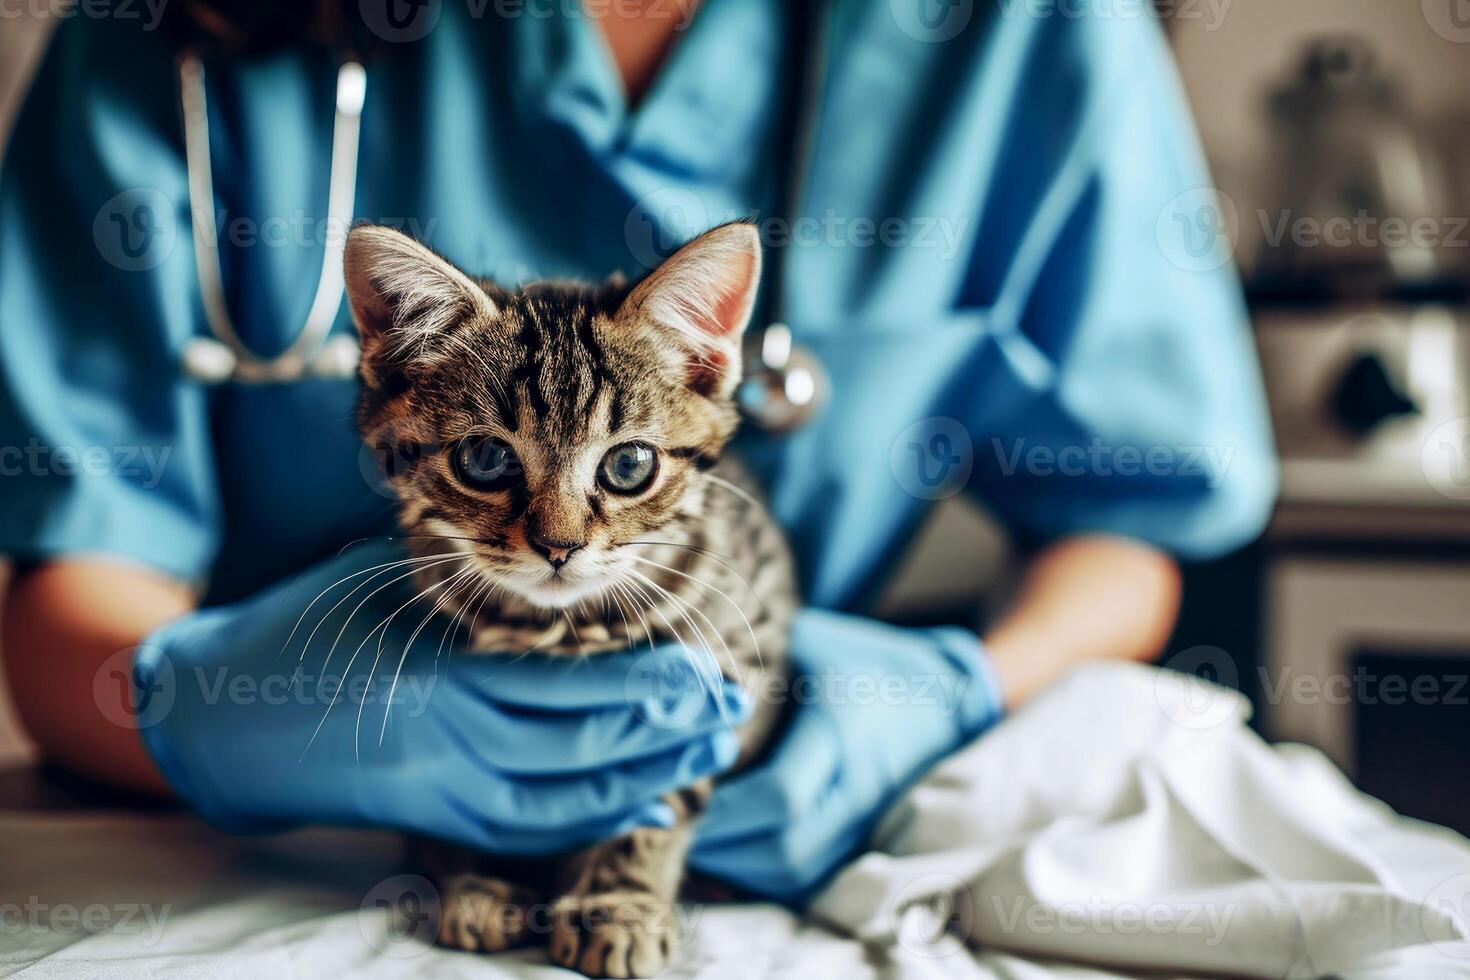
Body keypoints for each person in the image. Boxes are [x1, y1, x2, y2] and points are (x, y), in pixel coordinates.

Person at [0, 0, 1275, 905]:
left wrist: (949, 693)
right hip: (280, 848)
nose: (558, 530)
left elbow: (1132, 516)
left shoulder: (1027, 27)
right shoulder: (181, 29)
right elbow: (68, 598)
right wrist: (234, 707)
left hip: (767, 802)